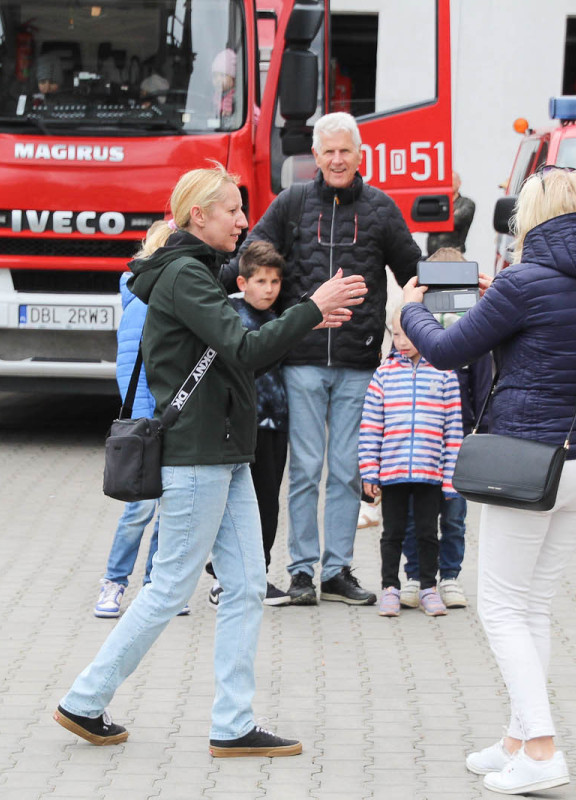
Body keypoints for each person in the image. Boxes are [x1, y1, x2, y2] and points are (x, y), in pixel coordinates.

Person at [54, 163, 365, 757]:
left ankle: (232, 725)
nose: (245, 221)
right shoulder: (184, 278)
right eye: (233, 210)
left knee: (246, 586)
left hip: (225, 455)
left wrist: (306, 318)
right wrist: (309, 307)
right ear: (198, 215)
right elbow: (246, 349)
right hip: (198, 458)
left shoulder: (197, 274)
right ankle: (85, 699)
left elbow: (239, 360)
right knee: (170, 587)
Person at [400, 166, 576, 794]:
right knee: (533, 606)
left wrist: (411, 310)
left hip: (527, 458)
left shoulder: (523, 282)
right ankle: (518, 740)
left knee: (501, 608)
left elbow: (447, 352)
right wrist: (499, 297)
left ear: (534, 213)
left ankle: (544, 750)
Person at [229, 112, 422, 607]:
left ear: (361, 155)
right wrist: (196, 273)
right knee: (306, 469)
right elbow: (250, 256)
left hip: (359, 363)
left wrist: (462, 289)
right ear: (314, 156)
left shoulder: (380, 209)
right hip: (302, 360)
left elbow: (414, 272)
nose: (337, 160)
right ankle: (299, 573)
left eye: (346, 151)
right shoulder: (292, 203)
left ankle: (336, 570)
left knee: (346, 472)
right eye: (328, 151)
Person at [397, 246, 493, 611]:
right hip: (416, 445)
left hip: (457, 446)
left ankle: (450, 576)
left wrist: (479, 434)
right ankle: (415, 576)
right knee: (412, 516)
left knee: (454, 516)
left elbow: (483, 388)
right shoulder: (413, 338)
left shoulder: (476, 339)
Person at [359, 307, 462, 618]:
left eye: (409, 333)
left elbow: (453, 430)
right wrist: (369, 471)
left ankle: (429, 587)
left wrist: (450, 478)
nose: (402, 341)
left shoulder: (445, 374)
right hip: (392, 472)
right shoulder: (384, 375)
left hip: (429, 473)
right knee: (393, 533)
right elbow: (371, 426)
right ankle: (389, 587)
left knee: (428, 533)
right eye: (397, 334)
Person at [94, 272, 174, 619]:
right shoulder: (142, 305)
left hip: (169, 419)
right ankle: (114, 582)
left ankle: (155, 584)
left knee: (169, 509)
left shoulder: (166, 299)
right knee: (140, 509)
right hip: (147, 423)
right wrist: (147, 419)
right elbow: (131, 371)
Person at [224, 240, 292, 607]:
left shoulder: (276, 318)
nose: (268, 289)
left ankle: (258, 575)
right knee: (238, 507)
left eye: (275, 282)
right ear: (241, 282)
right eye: (261, 281)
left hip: (276, 424)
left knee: (268, 503)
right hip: (243, 428)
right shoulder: (232, 317)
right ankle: (227, 580)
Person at [429, 172, 475, 254]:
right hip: (433, 255)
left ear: (459, 183)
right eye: (447, 180)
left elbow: (456, 220)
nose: (450, 183)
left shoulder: (467, 203)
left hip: (453, 254)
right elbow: (423, 221)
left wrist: (435, 220)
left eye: (452, 180)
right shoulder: (436, 203)